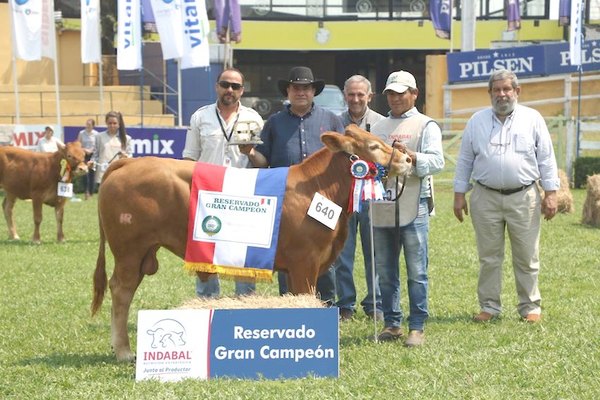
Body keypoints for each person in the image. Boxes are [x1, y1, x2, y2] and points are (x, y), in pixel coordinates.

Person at [453, 69, 559, 324]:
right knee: (489, 257)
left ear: (517, 92)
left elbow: (546, 157)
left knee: (527, 256)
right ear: (489, 93)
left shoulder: (533, 119)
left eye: (506, 89)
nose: (502, 94)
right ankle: (489, 307)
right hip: (484, 197)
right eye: (496, 90)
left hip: (524, 197)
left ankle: (530, 306)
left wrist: (551, 193)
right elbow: (465, 159)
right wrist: (459, 195)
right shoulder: (476, 121)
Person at [240, 66, 345, 305]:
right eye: (296, 88)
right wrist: (251, 152)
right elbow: (263, 161)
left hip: (322, 201)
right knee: (288, 254)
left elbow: (344, 159)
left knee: (323, 252)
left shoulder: (330, 119)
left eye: (306, 88)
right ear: (288, 91)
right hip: (287, 201)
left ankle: (326, 307)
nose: (301, 92)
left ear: (313, 91)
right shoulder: (275, 122)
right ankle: (289, 307)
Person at [370, 70, 444, 347]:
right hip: (383, 202)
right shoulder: (377, 127)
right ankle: (392, 323)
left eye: (402, 93)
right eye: (391, 93)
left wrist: (412, 156)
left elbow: (437, 162)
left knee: (416, 269)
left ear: (414, 94)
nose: (396, 98)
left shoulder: (426, 126)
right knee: (386, 268)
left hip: (416, 201)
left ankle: (417, 325)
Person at [182, 67, 264, 298]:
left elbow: (261, 163)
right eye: (225, 84)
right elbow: (189, 158)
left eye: (235, 86)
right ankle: (207, 302)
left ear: (242, 90)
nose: (230, 90)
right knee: (205, 253)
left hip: (243, 196)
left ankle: (245, 302)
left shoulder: (254, 118)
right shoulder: (200, 117)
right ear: (217, 86)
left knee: (242, 253)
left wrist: (250, 152)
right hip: (207, 196)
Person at [334, 75, 385, 321]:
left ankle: (375, 302)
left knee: (374, 250)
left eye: (360, 95)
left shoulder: (382, 124)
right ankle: (345, 303)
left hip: (373, 196)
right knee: (343, 251)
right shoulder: (335, 123)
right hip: (343, 198)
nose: (355, 99)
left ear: (370, 96)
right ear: (345, 95)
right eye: (351, 94)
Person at [90, 111, 133, 187]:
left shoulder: (126, 138)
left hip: (120, 173)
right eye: (110, 123)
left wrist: (126, 156)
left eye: (114, 123)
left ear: (119, 124)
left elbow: (130, 156)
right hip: (103, 173)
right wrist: (92, 162)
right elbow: (96, 154)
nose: (112, 125)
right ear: (106, 123)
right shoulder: (99, 137)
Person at [77, 118, 98, 199]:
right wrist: (85, 150)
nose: (88, 126)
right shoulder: (81, 133)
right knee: (85, 174)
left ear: (93, 126)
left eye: (89, 125)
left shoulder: (96, 134)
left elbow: (97, 145)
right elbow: (79, 144)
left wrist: (91, 150)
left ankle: (91, 192)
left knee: (92, 174)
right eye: (87, 124)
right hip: (84, 155)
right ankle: (86, 192)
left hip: (93, 155)